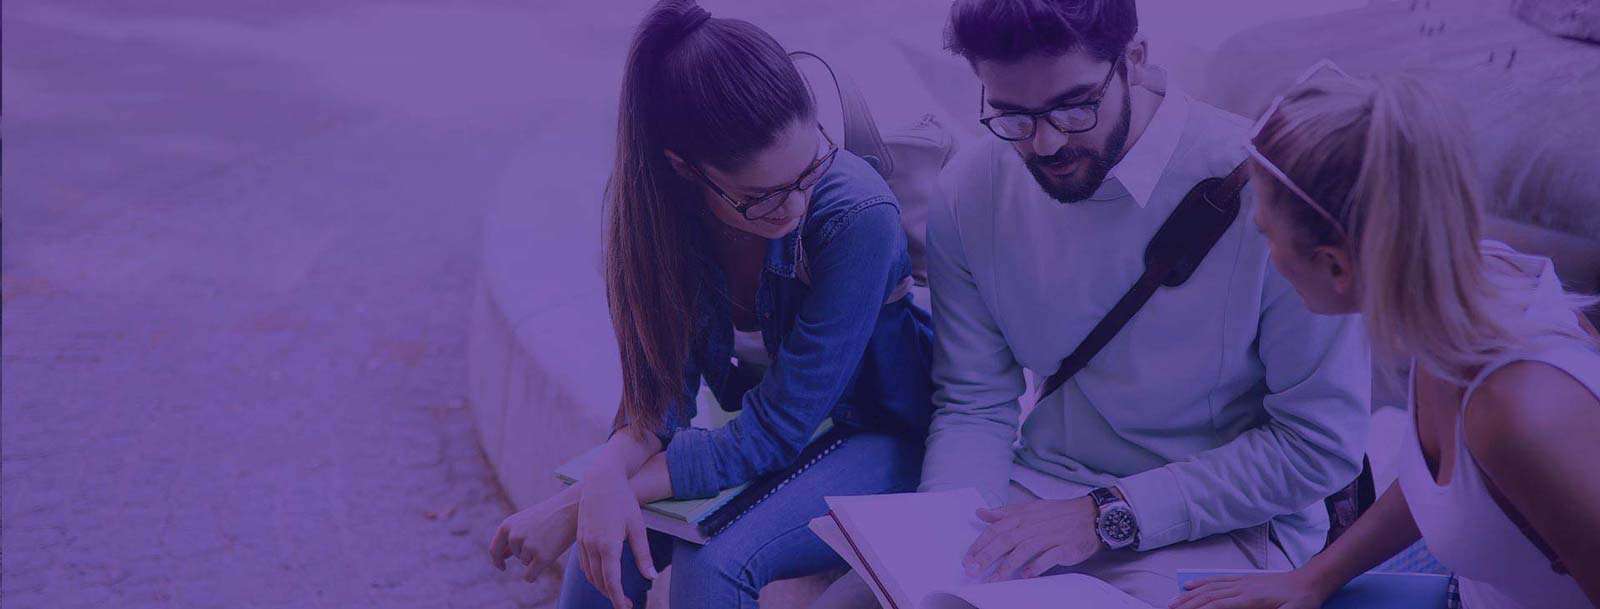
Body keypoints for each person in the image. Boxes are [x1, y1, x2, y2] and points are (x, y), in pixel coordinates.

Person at [813, 1, 1372, 607]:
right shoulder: (969, 190)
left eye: (1074, 107)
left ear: (1135, 59)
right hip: (1036, 496)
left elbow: (1317, 444)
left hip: (1226, 524)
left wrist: (1108, 513)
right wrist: (941, 547)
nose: (1046, 142)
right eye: (1012, 116)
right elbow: (974, 403)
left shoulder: (1267, 189)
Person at [485, 2, 935, 608]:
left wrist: (580, 502)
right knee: (610, 539)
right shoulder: (655, 216)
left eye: (809, 171)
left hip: (883, 436)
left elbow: (773, 432)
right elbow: (658, 398)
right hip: (777, 435)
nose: (794, 206)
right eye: (761, 196)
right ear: (685, 169)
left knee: (711, 565)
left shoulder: (857, 215)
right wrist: (605, 479)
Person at [1172, 67, 1600, 609]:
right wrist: (1313, 578)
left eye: (1267, 236)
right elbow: (1451, 483)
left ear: (1335, 265)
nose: (1269, 256)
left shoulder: (1516, 412)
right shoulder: (1464, 294)